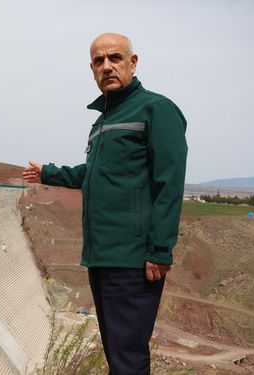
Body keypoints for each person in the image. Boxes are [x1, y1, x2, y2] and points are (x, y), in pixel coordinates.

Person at [22, 32, 187, 374]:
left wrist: (160, 249)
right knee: (117, 352)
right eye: (99, 61)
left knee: (127, 355)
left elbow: (169, 183)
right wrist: (48, 173)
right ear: (92, 68)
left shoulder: (156, 109)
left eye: (115, 58)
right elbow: (97, 174)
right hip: (102, 255)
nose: (107, 66)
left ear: (133, 62)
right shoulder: (103, 121)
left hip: (132, 257)